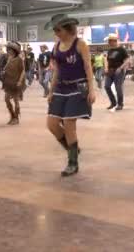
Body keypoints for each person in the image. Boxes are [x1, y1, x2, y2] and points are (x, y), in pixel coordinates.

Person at [45, 14, 96, 177]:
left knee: (68, 123)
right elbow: (57, 71)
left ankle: (72, 162)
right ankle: (72, 148)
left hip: (78, 87)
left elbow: (88, 67)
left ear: (67, 29)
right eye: (55, 30)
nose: (56, 33)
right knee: (52, 124)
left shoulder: (80, 44)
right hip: (61, 88)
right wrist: (51, 90)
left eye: (58, 30)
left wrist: (92, 89)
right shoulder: (56, 46)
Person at [104, 33, 129, 111]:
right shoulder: (110, 50)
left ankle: (120, 104)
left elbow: (127, 60)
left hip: (119, 71)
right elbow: (107, 60)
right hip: (110, 71)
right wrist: (106, 68)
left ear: (114, 41)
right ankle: (113, 102)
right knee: (107, 86)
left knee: (118, 88)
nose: (109, 43)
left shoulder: (121, 50)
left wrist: (121, 68)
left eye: (110, 41)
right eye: (109, 41)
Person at [2, 41, 25, 125]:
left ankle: (16, 118)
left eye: (10, 49)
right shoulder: (9, 58)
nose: (8, 51)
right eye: (8, 49)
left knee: (16, 101)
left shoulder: (19, 59)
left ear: (14, 50)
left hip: (16, 83)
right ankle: (12, 115)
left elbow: (23, 71)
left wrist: (20, 81)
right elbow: (6, 68)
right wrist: (4, 72)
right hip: (8, 82)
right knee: (6, 100)